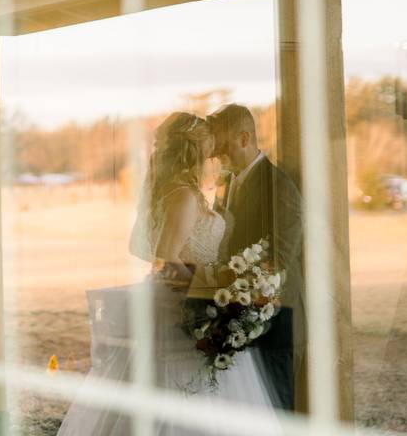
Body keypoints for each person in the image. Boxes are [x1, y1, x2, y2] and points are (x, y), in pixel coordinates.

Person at [57, 112, 278, 436]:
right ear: (195, 151)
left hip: (190, 300)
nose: (214, 152)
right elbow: (166, 261)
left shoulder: (181, 191)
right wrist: (217, 290)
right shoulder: (184, 197)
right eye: (209, 145)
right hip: (183, 309)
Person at [206, 104, 304, 412]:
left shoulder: (279, 187)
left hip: (273, 317)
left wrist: (233, 289)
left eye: (222, 146)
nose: (215, 154)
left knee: (276, 407)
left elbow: (280, 257)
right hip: (233, 313)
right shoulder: (225, 182)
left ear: (245, 138)